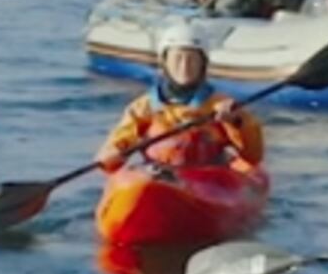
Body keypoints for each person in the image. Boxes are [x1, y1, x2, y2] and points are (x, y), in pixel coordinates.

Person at [97, 22, 266, 176]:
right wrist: (115, 153)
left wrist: (236, 122)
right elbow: (112, 155)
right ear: (164, 63)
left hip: (208, 178)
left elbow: (253, 156)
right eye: (177, 58)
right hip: (159, 175)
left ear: (203, 64)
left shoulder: (221, 106)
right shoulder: (143, 108)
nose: (184, 66)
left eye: (192, 59)